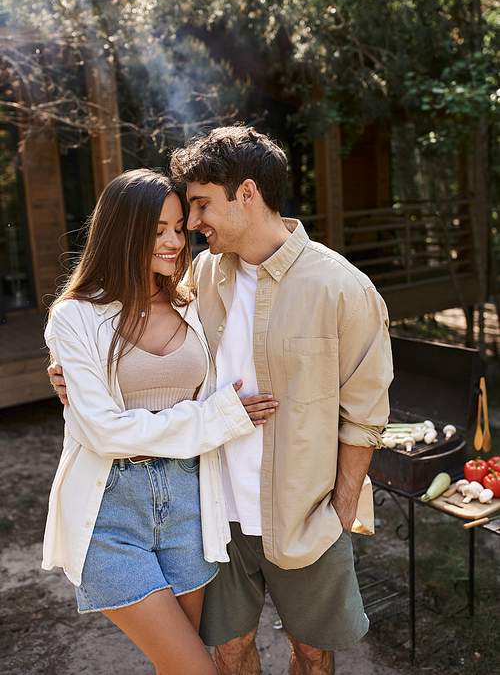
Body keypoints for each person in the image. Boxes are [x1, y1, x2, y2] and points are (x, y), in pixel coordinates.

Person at [50, 126, 393, 675]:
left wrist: (342, 507)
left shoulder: (342, 287)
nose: (190, 225)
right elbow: (131, 343)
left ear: (248, 194)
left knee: (311, 651)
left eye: (201, 205)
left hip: (303, 514)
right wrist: (74, 378)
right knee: (227, 651)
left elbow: (366, 416)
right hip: (211, 512)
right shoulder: (200, 277)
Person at [43, 169, 278, 675]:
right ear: (122, 231)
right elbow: (103, 432)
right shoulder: (75, 317)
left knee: (175, 665)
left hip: (189, 508)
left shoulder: (193, 303)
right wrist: (214, 419)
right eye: (157, 231)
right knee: (196, 668)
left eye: (177, 227)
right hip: (111, 515)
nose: (174, 241)